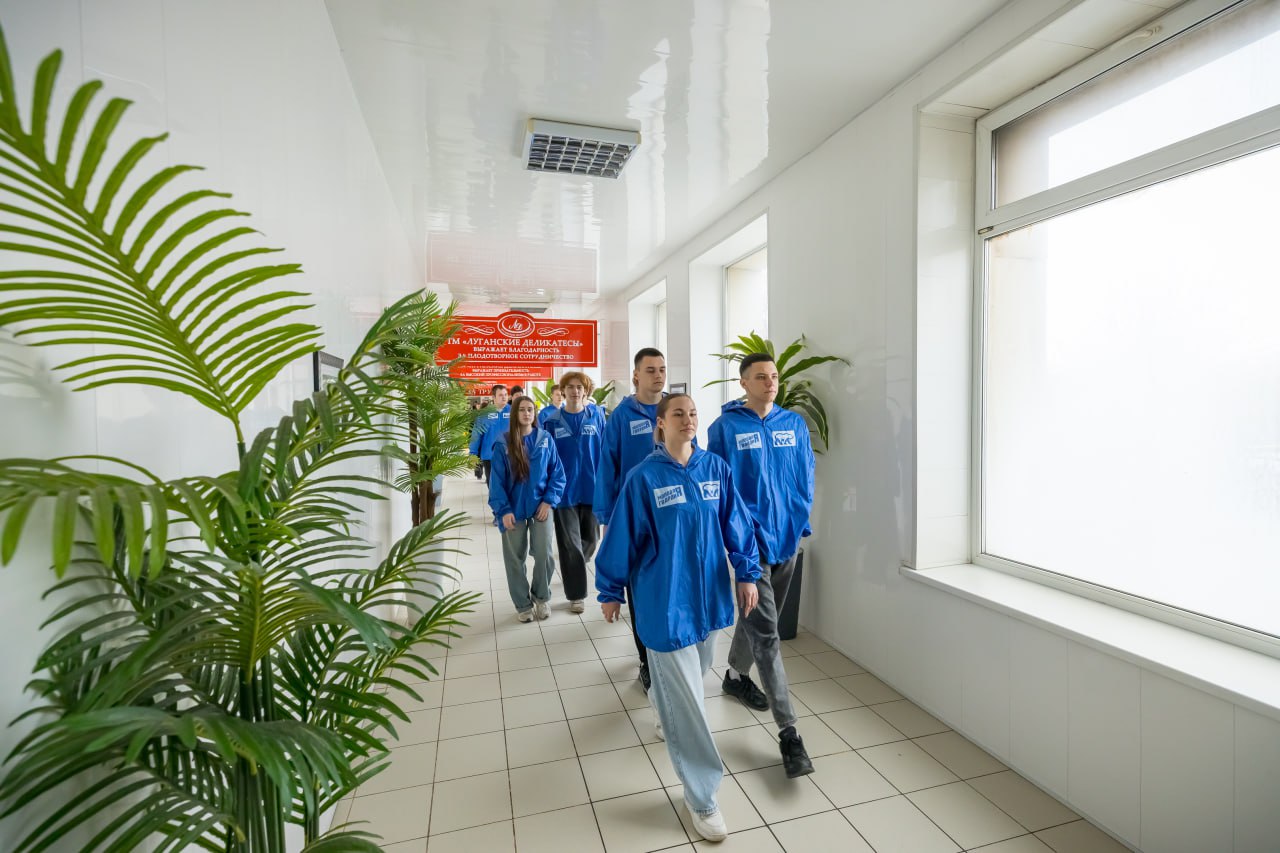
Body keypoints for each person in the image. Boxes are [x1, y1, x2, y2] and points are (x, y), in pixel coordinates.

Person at [595, 394, 760, 843]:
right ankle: (703, 797)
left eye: (693, 414)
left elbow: (737, 524)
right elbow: (621, 537)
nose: (688, 420)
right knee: (689, 705)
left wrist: (747, 573)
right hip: (664, 603)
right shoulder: (643, 478)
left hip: (707, 600)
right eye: (678, 414)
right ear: (660, 425)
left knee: (695, 675)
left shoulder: (714, 469)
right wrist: (609, 589)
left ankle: (661, 702)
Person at [707, 352, 817, 778]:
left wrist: (801, 519)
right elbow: (719, 489)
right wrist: (734, 544)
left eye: (774, 376)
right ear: (743, 383)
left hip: (787, 538)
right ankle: (790, 733)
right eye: (761, 377)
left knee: (755, 619)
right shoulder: (725, 428)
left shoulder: (793, 424)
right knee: (768, 635)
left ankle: (735, 676)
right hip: (749, 545)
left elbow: (805, 474)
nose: (770, 382)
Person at [593, 347, 669, 691]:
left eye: (662, 369)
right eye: (650, 370)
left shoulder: (673, 409)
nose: (658, 375)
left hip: (671, 513)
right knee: (638, 589)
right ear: (636, 375)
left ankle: (666, 649)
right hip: (634, 517)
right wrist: (607, 517)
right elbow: (607, 467)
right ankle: (646, 660)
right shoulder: (622, 416)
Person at [489, 396, 566, 622]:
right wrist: (503, 510)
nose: (526, 413)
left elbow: (557, 474)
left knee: (544, 554)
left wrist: (548, 501)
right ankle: (522, 604)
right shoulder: (503, 444)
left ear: (535, 413)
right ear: (515, 414)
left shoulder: (545, 439)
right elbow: (496, 482)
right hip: (512, 509)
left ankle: (541, 597)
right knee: (515, 558)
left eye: (530, 409)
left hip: (541, 505)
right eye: (522, 410)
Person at [544, 372, 606, 613]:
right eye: (570, 387)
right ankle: (577, 594)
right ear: (563, 391)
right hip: (564, 492)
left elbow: (606, 450)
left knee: (591, 541)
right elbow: (546, 460)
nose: (574, 391)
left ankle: (576, 564)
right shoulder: (552, 422)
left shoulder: (597, 417)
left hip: (592, 488)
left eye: (579, 387)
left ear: (586, 390)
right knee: (570, 544)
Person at [469, 384, 510, 484]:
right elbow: (476, 435)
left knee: (509, 486)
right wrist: (473, 454)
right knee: (492, 485)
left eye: (505, 394)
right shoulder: (484, 414)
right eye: (500, 395)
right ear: (493, 397)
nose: (504, 397)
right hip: (489, 456)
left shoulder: (514, 412)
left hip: (509, 455)